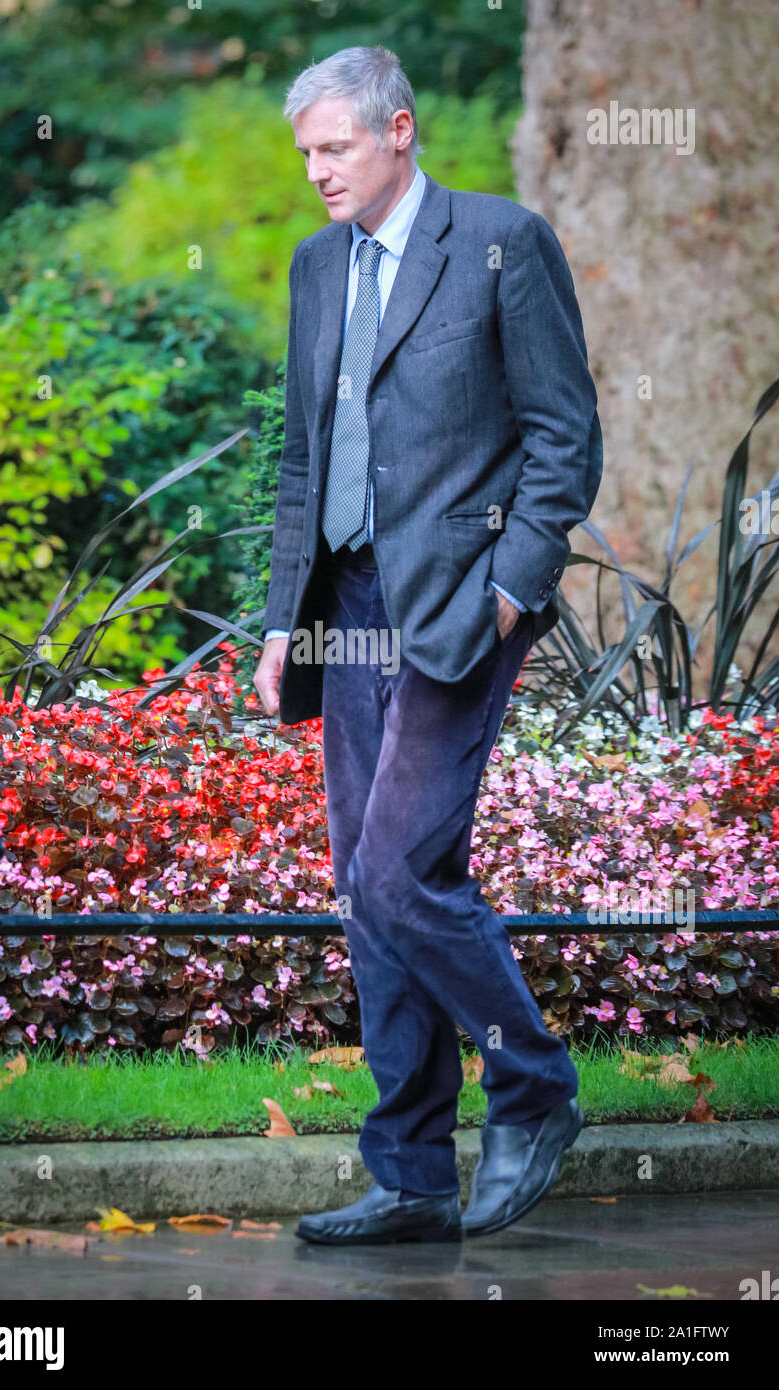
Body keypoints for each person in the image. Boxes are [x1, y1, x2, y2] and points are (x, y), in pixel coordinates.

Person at [253, 45, 602, 1246]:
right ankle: (408, 1173)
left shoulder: (501, 241)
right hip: (342, 610)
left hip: (459, 607)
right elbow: (300, 459)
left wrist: (511, 591)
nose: (316, 171)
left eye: (333, 146)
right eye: (304, 152)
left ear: (398, 130)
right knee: (368, 889)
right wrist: (274, 621)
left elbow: (564, 437)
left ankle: (534, 1085)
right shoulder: (313, 268)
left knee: (401, 869)